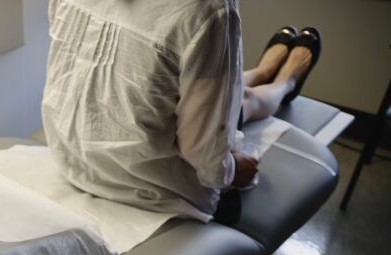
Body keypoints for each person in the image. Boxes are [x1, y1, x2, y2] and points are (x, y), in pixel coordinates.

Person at [42, 0, 321, 224]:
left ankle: (263, 72)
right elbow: (205, 158)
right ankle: (285, 82)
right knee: (242, 101)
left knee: (203, 87)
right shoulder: (209, 9)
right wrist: (235, 170)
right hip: (151, 192)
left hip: (71, 159)